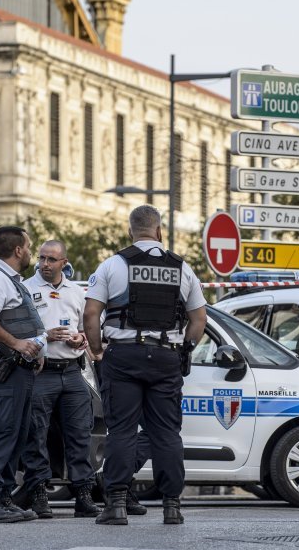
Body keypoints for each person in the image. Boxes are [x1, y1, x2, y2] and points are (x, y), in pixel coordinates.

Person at [83, 205, 207, 526]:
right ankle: (172, 506)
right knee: (166, 432)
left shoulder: (113, 265)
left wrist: (97, 349)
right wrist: (184, 349)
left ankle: (117, 505)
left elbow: (91, 314)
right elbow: (199, 320)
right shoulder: (183, 268)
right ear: (159, 231)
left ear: (130, 231)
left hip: (123, 355)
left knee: (122, 430)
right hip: (166, 357)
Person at [18, 240, 101, 519]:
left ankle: (84, 494)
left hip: (72, 371)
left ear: (64, 262)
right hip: (40, 372)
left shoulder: (76, 292)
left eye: (51, 259)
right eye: (41, 258)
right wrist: (44, 338)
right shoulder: (26, 289)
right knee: (36, 435)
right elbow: (15, 332)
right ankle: (39, 492)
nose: (44, 264)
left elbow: (84, 330)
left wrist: (80, 339)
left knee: (79, 434)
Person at [0, 226, 45, 524]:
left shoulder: (9, 280)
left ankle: (2, 497)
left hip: (18, 368)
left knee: (13, 436)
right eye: (28, 246)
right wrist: (16, 344)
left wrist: (34, 352)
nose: (30, 252)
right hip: (2, 368)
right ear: (17, 250)